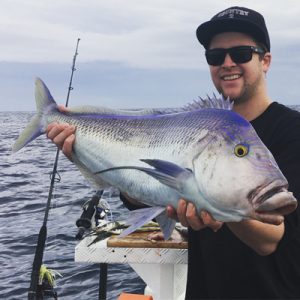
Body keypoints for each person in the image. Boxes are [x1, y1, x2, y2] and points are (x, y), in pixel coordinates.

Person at [47, 6, 300, 299]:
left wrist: (214, 204)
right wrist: (88, 156)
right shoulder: (196, 127)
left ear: (265, 60)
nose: (228, 63)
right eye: (216, 57)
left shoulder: (292, 131)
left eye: (242, 53)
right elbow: (144, 192)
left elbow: (273, 239)